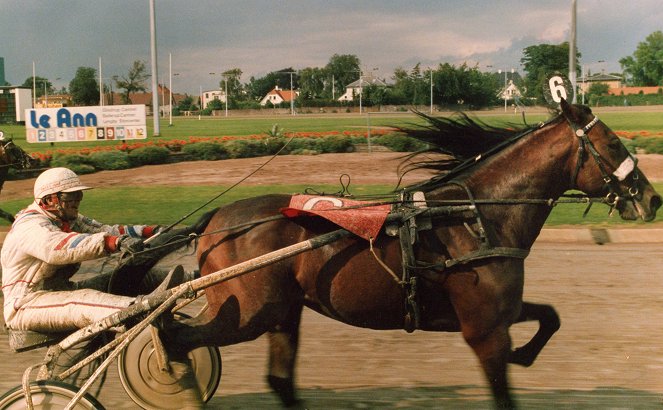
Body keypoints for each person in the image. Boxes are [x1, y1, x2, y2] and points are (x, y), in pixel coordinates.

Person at [1, 167, 188, 333]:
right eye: (69, 197)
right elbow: (57, 247)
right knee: (88, 299)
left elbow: (106, 231)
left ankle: (192, 280)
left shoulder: (67, 218)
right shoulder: (29, 225)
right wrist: (113, 243)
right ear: (49, 200)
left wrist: (151, 231)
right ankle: (141, 310)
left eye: (79, 195)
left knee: (135, 274)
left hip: (60, 291)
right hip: (25, 304)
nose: (77, 201)